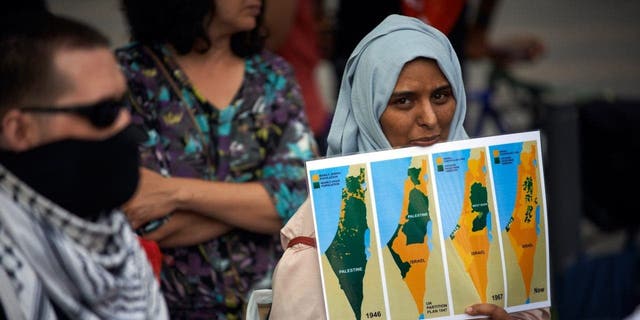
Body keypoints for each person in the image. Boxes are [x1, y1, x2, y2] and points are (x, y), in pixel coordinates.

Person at [268, 14, 550, 319]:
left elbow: (532, 306)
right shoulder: (316, 245)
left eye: (441, 95)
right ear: (368, 111)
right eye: (404, 101)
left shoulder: (497, 205)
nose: (430, 118)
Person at [115, 0, 318, 318]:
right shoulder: (129, 77)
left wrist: (173, 193)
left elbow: (300, 202)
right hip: (166, 307)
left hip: (270, 306)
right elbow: (143, 217)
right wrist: (258, 204)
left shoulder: (271, 75)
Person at [0, 8, 167, 320]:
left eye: (123, 105)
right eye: (102, 113)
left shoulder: (119, 245)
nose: (124, 124)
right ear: (19, 130)